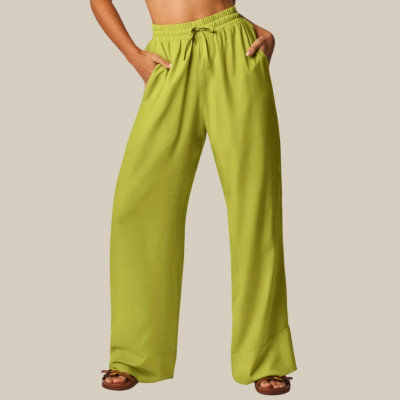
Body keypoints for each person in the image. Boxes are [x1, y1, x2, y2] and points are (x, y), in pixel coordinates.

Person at [90, 0, 298, 395]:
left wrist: (252, 27)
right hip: (169, 58)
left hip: (235, 49)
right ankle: (134, 354)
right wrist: (133, 55)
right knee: (138, 208)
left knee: (255, 208)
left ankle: (265, 357)